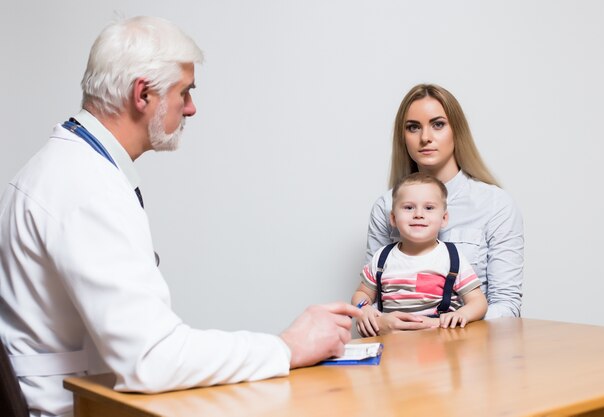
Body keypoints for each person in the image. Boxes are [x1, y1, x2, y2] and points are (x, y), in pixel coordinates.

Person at [0, 16, 360, 417]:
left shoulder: (61, 168)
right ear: (143, 94)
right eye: (184, 92)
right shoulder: (86, 187)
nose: (191, 108)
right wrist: (288, 347)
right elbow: (151, 360)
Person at [365, 83, 523, 333]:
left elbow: (507, 306)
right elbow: (370, 298)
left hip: (471, 357)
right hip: (397, 355)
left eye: (438, 124)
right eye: (413, 127)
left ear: (456, 131)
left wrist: (445, 325)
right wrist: (375, 319)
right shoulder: (385, 207)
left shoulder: (495, 204)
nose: (425, 137)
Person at [353, 173, 487, 336]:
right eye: (409, 207)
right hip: (392, 345)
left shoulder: (452, 257)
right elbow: (362, 293)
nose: (418, 214)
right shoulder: (382, 258)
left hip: (440, 343)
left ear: (444, 218)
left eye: (429, 208)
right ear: (394, 219)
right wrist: (363, 309)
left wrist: (461, 314)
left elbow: (478, 302)